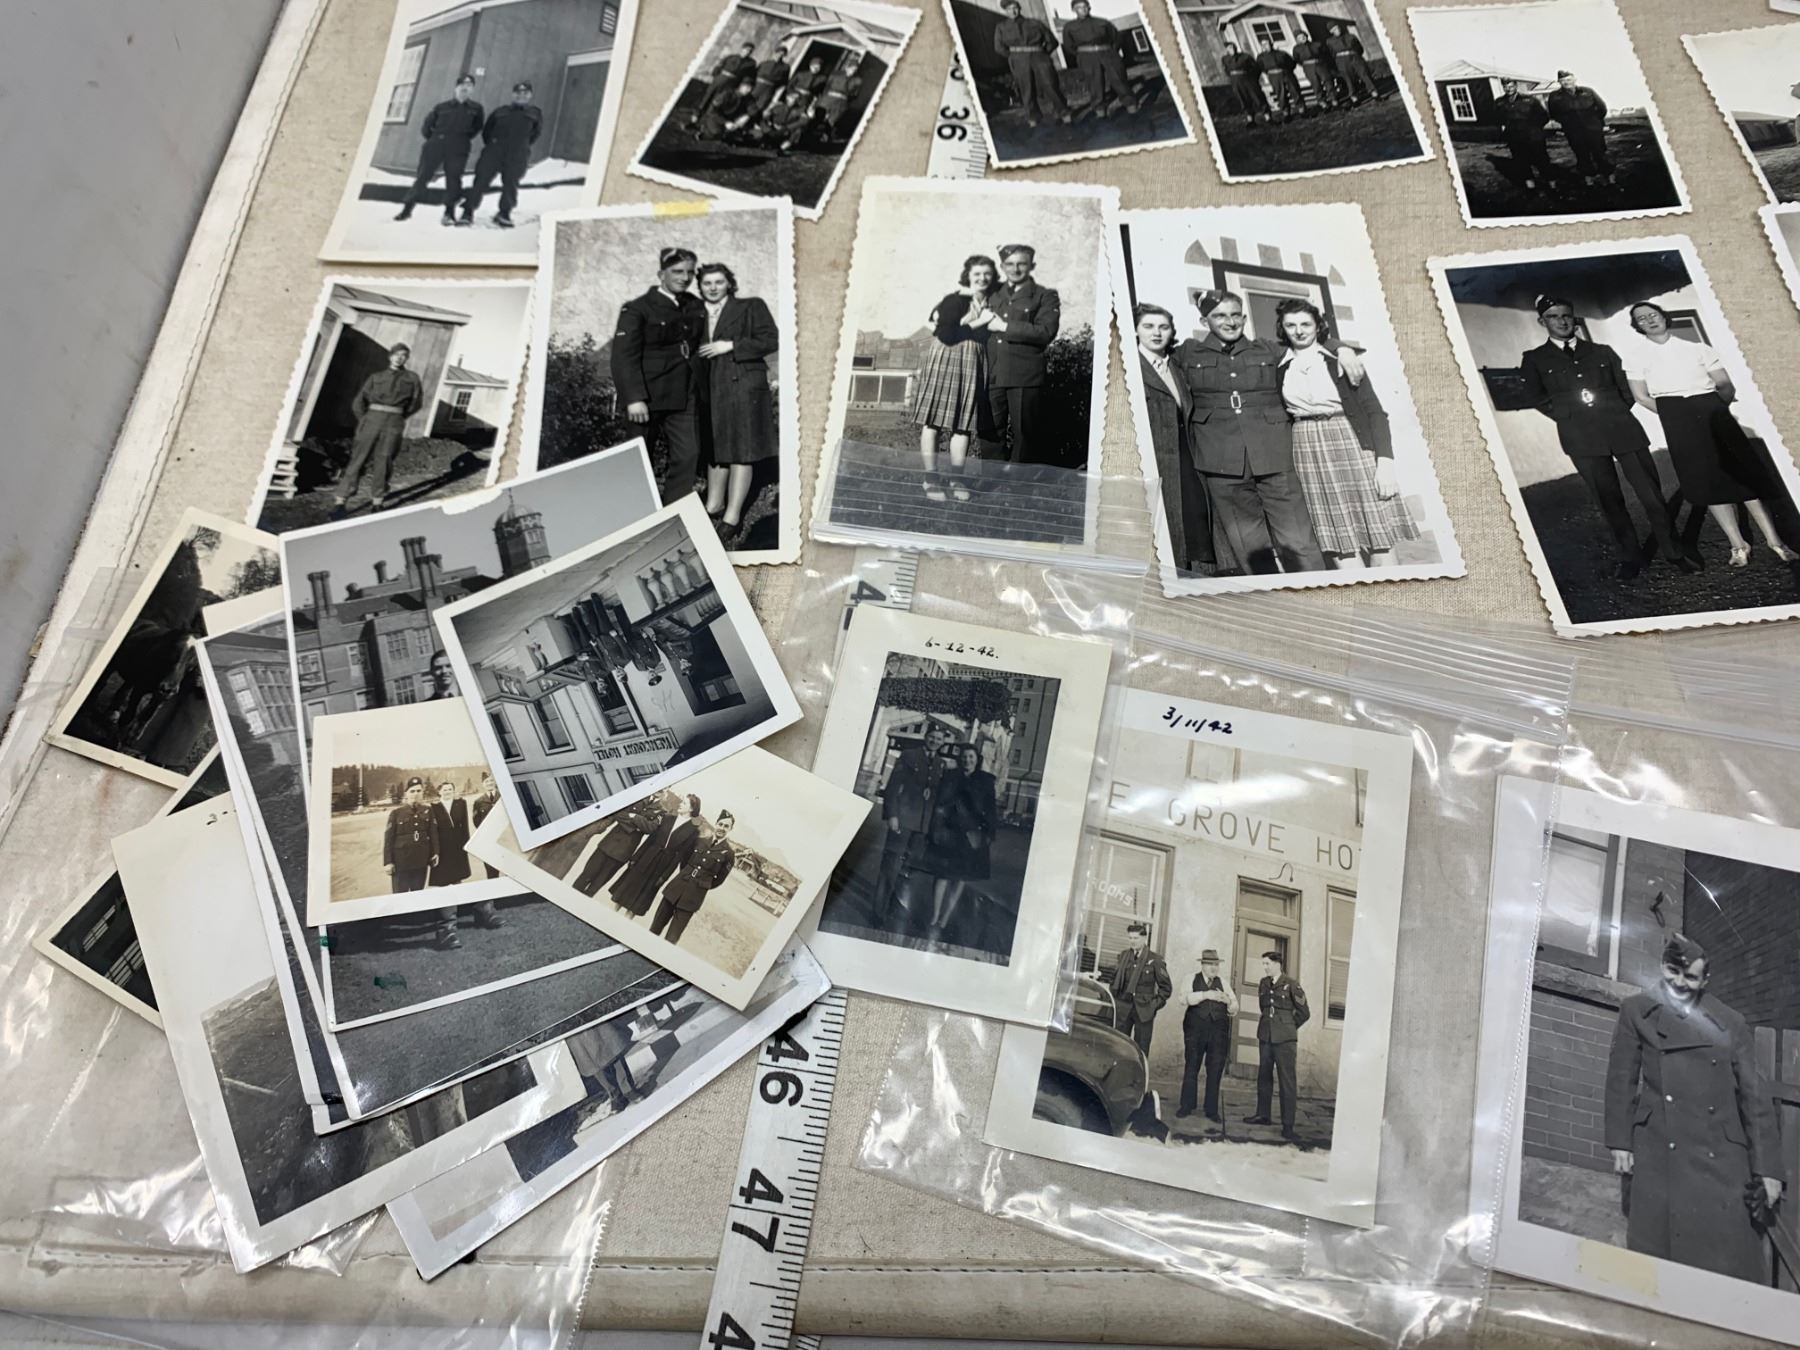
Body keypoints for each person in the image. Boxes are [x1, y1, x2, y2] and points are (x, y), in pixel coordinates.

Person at [1604, 934, 1785, 1283]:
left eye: (1690, 977)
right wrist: (1620, 1142)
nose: (1679, 983)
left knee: (1723, 1260)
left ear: (1705, 981)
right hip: (1659, 1145)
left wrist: (1768, 1169)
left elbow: (1755, 1096)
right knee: (1658, 1261)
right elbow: (1621, 1078)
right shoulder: (1636, 1011)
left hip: (1719, 1153)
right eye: (1673, 972)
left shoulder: (1730, 1022)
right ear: (1662, 966)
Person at [1177, 290, 1362, 574]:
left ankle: (1314, 593)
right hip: (1223, 464)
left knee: (1299, 542)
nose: (1229, 322)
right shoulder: (1188, 353)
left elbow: (1307, 342)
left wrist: (1341, 348)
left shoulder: (1267, 350)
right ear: (1205, 321)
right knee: (1252, 550)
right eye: (1219, 316)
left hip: (1275, 457)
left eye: (1235, 315)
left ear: (1244, 318)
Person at [1519, 296, 1689, 581]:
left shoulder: (1601, 351)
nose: (1561, 321)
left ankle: (1674, 552)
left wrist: (1614, 412)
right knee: (1609, 501)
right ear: (1542, 322)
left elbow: (1626, 388)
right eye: (1553, 317)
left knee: (1651, 495)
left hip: (1622, 429)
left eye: (1566, 315)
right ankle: (1631, 558)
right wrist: (1569, 417)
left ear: (1574, 318)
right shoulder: (1535, 359)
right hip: (1581, 437)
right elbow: (1537, 397)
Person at [1624, 301, 1797, 567]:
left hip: (1711, 408)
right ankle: (1738, 545)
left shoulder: (1697, 348)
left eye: (1653, 314)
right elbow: (1641, 396)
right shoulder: (1636, 356)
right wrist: (1674, 415)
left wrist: (1714, 409)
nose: (1649, 320)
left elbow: (1725, 385)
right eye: (1642, 318)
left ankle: (1776, 542)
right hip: (1676, 416)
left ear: (1664, 316)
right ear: (1637, 326)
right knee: (1704, 481)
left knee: (1743, 476)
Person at [1274, 298, 1416, 571]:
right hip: (1308, 449)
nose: (1299, 331)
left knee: (1379, 533)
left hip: (1350, 441)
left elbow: (1375, 412)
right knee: (1338, 537)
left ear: (1318, 326)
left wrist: (1385, 462)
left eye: (1306, 324)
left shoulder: (1340, 360)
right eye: (1291, 325)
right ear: (1282, 328)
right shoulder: (1279, 365)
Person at [1135, 302, 1231, 577]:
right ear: (1136, 330)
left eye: (1163, 327)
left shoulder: (1175, 366)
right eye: (1148, 326)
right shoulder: (1133, 367)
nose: (1156, 333)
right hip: (1155, 457)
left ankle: (1198, 576)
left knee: (1194, 517)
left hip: (1186, 452)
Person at [613, 248, 706, 505]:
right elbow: (623, 356)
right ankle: (636, 510)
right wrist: (634, 398)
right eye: (677, 271)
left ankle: (675, 508)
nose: (685, 278)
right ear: (661, 274)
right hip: (648, 396)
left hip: (683, 394)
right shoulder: (637, 309)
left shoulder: (694, 306)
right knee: (639, 457)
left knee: (688, 455)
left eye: (690, 272)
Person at [694, 263, 779, 535]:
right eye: (707, 283)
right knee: (716, 448)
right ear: (700, 286)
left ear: (729, 283)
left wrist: (730, 346)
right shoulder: (696, 314)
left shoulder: (751, 306)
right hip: (711, 388)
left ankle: (732, 517)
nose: (713, 288)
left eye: (719, 282)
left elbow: (771, 339)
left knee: (742, 449)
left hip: (743, 385)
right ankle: (713, 505)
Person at [909, 254, 1000, 503]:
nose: (982, 278)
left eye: (987, 273)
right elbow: (947, 335)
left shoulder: (991, 302)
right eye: (977, 273)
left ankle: (956, 478)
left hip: (973, 360)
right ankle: (931, 477)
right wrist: (980, 322)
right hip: (947, 357)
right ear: (967, 276)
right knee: (934, 421)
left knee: (963, 423)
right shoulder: (954, 300)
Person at [987, 244, 1061, 466]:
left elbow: (1045, 332)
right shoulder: (991, 294)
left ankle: (1019, 482)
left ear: (1032, 266)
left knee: (1025, 437)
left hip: (1024, 376)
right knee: (990, 433)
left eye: (1021, 264)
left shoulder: (1045, 296)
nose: (1015, 269)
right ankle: (990, 479)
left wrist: (1005, 327)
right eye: (1009, 264)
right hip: (992, 372)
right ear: (1002, 266)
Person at [333, 343, 423, 515]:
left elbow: (416, 402)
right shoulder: (376, 377)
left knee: (385, 460)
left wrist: (398, 417)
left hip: (393, 422)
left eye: (403, 355)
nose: (399, 358)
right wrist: (365, 419)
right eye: (396, 354)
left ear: (407, 358)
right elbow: (359, 401)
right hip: (371, 420)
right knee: (358, 459)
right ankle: (340, 502)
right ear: (390, 356)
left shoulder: (412, 378)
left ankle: (377, 502)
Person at [921, 744, 997, 947]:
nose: (967, 760)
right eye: (964, 757)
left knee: (960, 878)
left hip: (971, 836)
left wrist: (989, 834)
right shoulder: (950, 776)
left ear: (977, 759)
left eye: (971, 757)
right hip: (949, 833)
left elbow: (991, 808)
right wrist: (934, 829)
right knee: (942, 875)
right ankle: (934, 916)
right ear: (959, 759)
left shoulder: (986, 780)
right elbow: (939, 804)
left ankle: (945, 918)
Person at [877, 724, 950, 923]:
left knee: (908, 870)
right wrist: (892, 815)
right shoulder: (909, 756)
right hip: (902, 820)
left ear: (943, 742)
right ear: (926, 736)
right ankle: (879, 913)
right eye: (932, 737)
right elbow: (893, 787)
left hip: (922, 827)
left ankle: (895, 908)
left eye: (939, 739)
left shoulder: (940, 764)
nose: (935, 741)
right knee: (890, 867)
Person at [395, 73, 484, 225]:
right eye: (462, 85)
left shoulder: (476, 109)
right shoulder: (442, 107)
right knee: (423, 177)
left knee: (453, 179)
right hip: (436, 145)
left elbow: (476, 128)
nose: (465, 88)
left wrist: (461, 139)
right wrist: (435, 140)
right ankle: (406, 210)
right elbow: (426, 127)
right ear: (456, 88)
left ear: (472, 90)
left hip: (458, 147)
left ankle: (449, 213)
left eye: (469, 85)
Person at [459, 81, 542, 229]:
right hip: (494, 152)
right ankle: (468, 212)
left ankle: (504, 214)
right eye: (518, 93)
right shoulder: (500, 111)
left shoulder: (535, 114)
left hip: (517, 154)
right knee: (481, 181)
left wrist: (520, 146)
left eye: (525, 93)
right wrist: (494, 146)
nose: (521, 96)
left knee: (511, 184)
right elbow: (487, 132)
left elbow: (535, 134)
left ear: (530, 95)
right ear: (513, 95)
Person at [1245, 951, 1309, 1140]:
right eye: (1263, 964)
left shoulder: (1292, 984)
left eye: (1267, 964)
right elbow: (1263, 1008)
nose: (1264, 967)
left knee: (1286, 1081)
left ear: (1277, 964)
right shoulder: (1264, 983)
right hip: (1266, 1036)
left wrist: (1287, 1027)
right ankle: (1263, 1115)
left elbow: (1304, 1013)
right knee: (1264, 1077)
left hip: (1285, 1041)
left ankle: (1288, 1125)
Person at [649, 811, 738, 945]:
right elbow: (684, 861)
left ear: (730, 829)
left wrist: (702, 884)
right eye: (720, 824)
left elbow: (719, 880)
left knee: (672, 938)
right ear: (715, 824)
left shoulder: (729, 854)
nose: (722, 828)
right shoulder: (699, 841)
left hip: (693, 898)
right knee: (654, 929)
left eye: (726, 826)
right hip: (675, 889)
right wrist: (686, 876)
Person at [610, 794, 702, 916]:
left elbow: (679, 857)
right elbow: (650, 841)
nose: (680, 804)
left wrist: (664, 876)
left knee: (642, 898)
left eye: (684, 803)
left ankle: (628, 918)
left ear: (691, 809)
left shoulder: (693, 831)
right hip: (646, 857)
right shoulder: (667, 818)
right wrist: (635, 858)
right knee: (627, 888)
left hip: (662, 866)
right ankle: (612, 914)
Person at [1178, 948, 1236, 1122]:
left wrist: (1228, 1001)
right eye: (1210, 964)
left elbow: (1235, 1007)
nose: (1213, 968)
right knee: (1192, 1066)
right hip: (1195, 1030)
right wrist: (1205, 995)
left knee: (1215, 1069)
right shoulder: (1190, 979)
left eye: (1216, 964)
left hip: (1218, 1031)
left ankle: (1211, 1110)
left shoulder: (1223, 983)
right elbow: (1183, 999)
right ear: (1202, 965)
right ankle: (1186, 1105)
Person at [993, 0, 1070, 129]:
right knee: (1026, 89)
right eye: (1009, 9)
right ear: (1005, 11)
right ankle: (1033, 118)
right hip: (1019, 60)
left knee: (1050, 84)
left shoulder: (1035, 23)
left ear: (1019, 8)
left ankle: (1063, 113)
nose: (1013, 11)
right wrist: (1014, 56)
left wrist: (1042, 54)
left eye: (1015, 8)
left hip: (1039, 57)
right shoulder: (1001, 27)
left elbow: (1052, 41)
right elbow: (999, 47)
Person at [571, 797, 666, 897]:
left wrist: (634, 816)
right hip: (608, 843)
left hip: (624, 852)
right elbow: (619, 813)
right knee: (586, 874)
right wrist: (636, 827)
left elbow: (650, 828)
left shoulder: (662, 810)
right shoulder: (636, 797)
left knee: (598, 884)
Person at [1061, 0, 1138, 119]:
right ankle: (1100, 110)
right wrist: (1082, 55)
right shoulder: (1069, 27)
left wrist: (1112, 51)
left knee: (1119, 79)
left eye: (1085, 6)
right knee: (1094, 83)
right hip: (1087, 56)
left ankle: (1130, 105)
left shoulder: (1102, 22)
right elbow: (1068, 46)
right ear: (1074, 10)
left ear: (1089, 7)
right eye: (1079, 7)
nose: (1083, 9)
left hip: (1107, 53)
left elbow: (1116, 37)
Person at [1109, 922, 1171, 1056]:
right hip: (1123, 1008)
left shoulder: (1155, 960)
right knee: (1119, 1046)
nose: (1132, 941)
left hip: (1144, 1011)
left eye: (1136, 938)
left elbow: (1166, 989)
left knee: (1141, 1049)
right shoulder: (1123, 956)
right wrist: (1117, 999)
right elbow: (1113, 979)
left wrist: (1153, 1006)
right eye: (1130, 938)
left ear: (1144, 938)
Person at [1546, 69, 1612, 187]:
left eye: (1569, 79)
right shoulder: (1555, 96)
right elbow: (1554, 114)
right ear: (1559, 82)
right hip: (1573, 132)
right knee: (1582, 155)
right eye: (1563, 80)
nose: (1566, 82)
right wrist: (1568, 123)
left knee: (1600, 154)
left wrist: (1595, 122)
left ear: (1574, 79)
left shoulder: (1588, 91)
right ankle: (1589, 180)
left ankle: (1610, 178)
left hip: (1593, 130)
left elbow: (1602, 108)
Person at [1496, 78, 1552, 193]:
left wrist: (1533, 128)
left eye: (1511, 86)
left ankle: (1552, 183)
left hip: (1533, 137)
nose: (1509, 89)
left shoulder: (1530, 100)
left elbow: (1544, 117)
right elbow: (1497, 118)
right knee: (1521, 162)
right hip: (1514, 137)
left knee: (1542, 160)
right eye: (1506, 87)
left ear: (1516, 86)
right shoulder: (1499, 102)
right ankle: (1530, 186)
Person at [383, 777, 438, 893]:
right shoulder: (396, 813)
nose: (416, 794)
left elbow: (433, 833)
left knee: (418, 894)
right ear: (406, 793)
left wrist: (436, 852)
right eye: (412, 791)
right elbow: (388, 839)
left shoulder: (428, 810)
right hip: (401, 862)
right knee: (400, 895)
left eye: (419, 791)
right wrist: (388, 862)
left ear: (422, 793)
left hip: (421, 861)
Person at [691, 42, 757, 126]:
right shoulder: (731, 57)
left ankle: (705, 124)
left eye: (750, 51)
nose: (747, 52)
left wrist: (739, 86)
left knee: (717, 103)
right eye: (746, 50)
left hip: (731, 84)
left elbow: (748, 76)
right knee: (707, 98)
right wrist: (716, 77)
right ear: (742, 49)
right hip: (720, 79)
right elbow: (719, 67)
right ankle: (694, 118)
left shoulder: (751, 63)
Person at [814, 51, 866, 140]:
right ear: (847, 68)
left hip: (842, 102)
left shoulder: (857, 80)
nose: (853, 71)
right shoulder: (835, 75)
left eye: (855, 70)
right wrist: (823, 97)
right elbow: (827, 86)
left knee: (832, 120)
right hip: (828, 98)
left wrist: (845, 101)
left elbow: (855, 95)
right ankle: (812, 133)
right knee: (819, 115)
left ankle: (825, 137)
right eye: (851, 69)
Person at [1326, 23, 1380, 104]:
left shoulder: (1351, 36)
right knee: (1348, 78)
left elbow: (1360, 48)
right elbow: (1331, 53)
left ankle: (1374, 92)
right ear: (1331, 32)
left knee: (1364, 74)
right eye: (1334, 29)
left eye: (1337, 27)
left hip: (1355, 57)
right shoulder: (1330, 41)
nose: (1337, 30)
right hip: (1342, 60)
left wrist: (1355, 55)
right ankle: (1354, 97)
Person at [1255, 38, 1303, 123]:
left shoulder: (1281, 53)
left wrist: (1286, 70)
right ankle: (1286, 113)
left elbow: (1291, 63)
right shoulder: (1261, 57)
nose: (1266, 46)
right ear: (1261, 46)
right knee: (1280, 94)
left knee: (1294, 90)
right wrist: (1271, 72)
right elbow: (1261, 67)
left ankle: (1302, 109)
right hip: (1274, 76)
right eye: (1263, 45)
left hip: (1286, 73)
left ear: (1271, 44)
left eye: (1267, 43)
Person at [1289, 31, 1339, 113]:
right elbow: (1297, 59)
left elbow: (1325, 54)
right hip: (1308, 67)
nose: (1302, 38)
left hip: (1321, 65)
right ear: (1297, 40)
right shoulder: (1296, 49)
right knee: (1316, 84)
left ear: (1306, 36)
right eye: (1300, 37)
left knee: (1328, 81)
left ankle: (1333, 99)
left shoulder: (1317, 44)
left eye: (1303, 36)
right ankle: (1322, 102)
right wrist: (1306, 64)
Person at [1220, 41, 1267, 126]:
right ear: (1227, 50)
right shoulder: (1225, 59)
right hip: (1236, 82)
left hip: (1248, 80)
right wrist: (1234, 78)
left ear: (1236, 47)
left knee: (1257, 97)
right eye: (1230, 48)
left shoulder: (1245, 56)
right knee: (1243, 99)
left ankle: (1268, 116)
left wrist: (1252, 79)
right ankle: (1250, 119)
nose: (1232, 49)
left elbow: (1256, 68)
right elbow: (1226, 70)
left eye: (1233, 47)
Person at [471, 773, 500, 879]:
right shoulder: (478, 802)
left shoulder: (503, 796)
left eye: (491, 781)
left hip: (505, 837)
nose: (489, 783)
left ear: (495, 782)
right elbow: (476, 821)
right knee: (491, 868)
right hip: (488, 838)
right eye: (486, 781)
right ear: (483, 784)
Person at [749, 43, 792, 115]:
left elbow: (784, 81)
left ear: (784, 56)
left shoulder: (785, 67)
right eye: (778, 53)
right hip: (757, 85)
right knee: (749, 100)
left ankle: (751, 118)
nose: (779, 56)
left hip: (770, 88)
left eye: (782, 54)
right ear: (775, 53)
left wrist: (773, 87)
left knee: (761, 105)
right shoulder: (764, 63)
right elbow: (754, 74)